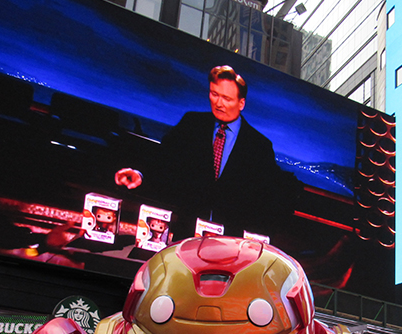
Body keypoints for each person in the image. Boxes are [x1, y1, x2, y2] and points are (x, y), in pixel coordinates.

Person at [115, 65, 300, 236]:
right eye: (214, 94)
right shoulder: (191, 124)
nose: (218, 103)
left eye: (226, 98)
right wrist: (139, 174)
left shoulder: (258, 146)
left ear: (241, 103)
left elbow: (267, 192)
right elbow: (163, 157)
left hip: (231, 241)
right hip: (186, 230)